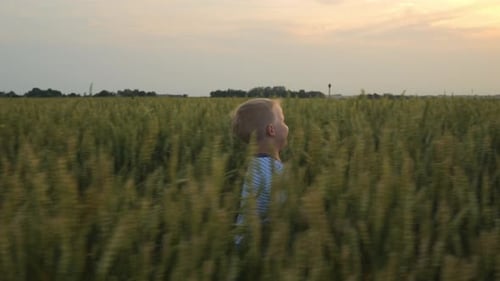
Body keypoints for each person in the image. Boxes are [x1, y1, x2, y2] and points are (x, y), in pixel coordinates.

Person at [231, 98, 289, 247]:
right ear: (272, 130)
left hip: (242, 244)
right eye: (282, 121)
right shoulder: (276, 173)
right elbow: (288, 215)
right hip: (257, 250)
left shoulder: (255, 165)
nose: (286, 125)